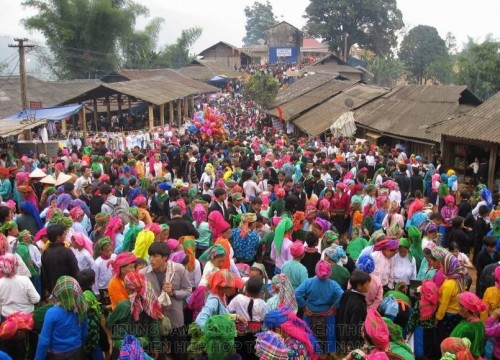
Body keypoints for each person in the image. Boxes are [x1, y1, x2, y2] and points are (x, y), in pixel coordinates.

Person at [140, 241, 192, 360]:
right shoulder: (143, 273)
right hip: (154, 320)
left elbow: (188, 290)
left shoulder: (178, 269)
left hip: (175, 318)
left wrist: (173, 292)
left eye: (155, 256)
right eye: (150, 256)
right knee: (158, 354)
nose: (151, 259)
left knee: (180, 353)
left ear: (165, 257)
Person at [106, 271, 162, 359]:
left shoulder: (123, 305)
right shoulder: (149, 305)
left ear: (129, 289)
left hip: (123, 348)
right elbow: (154, 326)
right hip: (143, 346)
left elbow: (109, 323)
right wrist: (156, 347)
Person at [295, 260, 344, 357]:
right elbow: (342, 294)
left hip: (310, 314)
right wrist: (335, 306)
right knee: (329, 336)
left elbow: (297, 293)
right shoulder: (332, 284)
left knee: (308, 335)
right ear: (329, 272)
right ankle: (329, 354)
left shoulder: (308, 282)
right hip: (327, 315)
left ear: (316, 270)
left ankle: (308, 353)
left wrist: (304, 306)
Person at [35, 276, 89, 360]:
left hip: (57, 355)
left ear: (58, 291)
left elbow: (44, 341)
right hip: (77, 352)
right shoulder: (82, 310)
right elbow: (84, 334)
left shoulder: (51, 313)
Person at [0, 254, 40, 358]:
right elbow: (36, 299)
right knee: (29, 347)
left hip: (8, 322)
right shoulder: (24, 280)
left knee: (10, 348)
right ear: (15, 265)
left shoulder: (0, 283)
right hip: (26, 321)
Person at [435, 253, 467, 346]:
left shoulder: (450, 284)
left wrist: (438, 318)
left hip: (448, 315)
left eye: (443, 265)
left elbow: (444, 303)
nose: (441, 266)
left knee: (444, 339)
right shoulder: (458, 278)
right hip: (456, 313)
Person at [336, 270, 371, 354]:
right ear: (359, 286)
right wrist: (355, 347)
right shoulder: (359, 304)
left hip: (342, 332)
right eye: (367, 283)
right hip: (351, 339)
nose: (369, 286)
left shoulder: (347, 292)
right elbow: (354, 326)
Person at [41, 224, 79, 295]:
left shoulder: (45, 253)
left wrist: (50, 290)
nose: (65, 236)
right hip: (70, 288)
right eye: (64, 234)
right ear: (58, 237)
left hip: (55, 290)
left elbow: (45, 275)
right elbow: (75, 270)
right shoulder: (67, 252)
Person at [449, 291, 486, 357]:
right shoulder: (480, 323)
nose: (457, 308)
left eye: (458, 305)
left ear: (465, 308)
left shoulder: (465, 329)